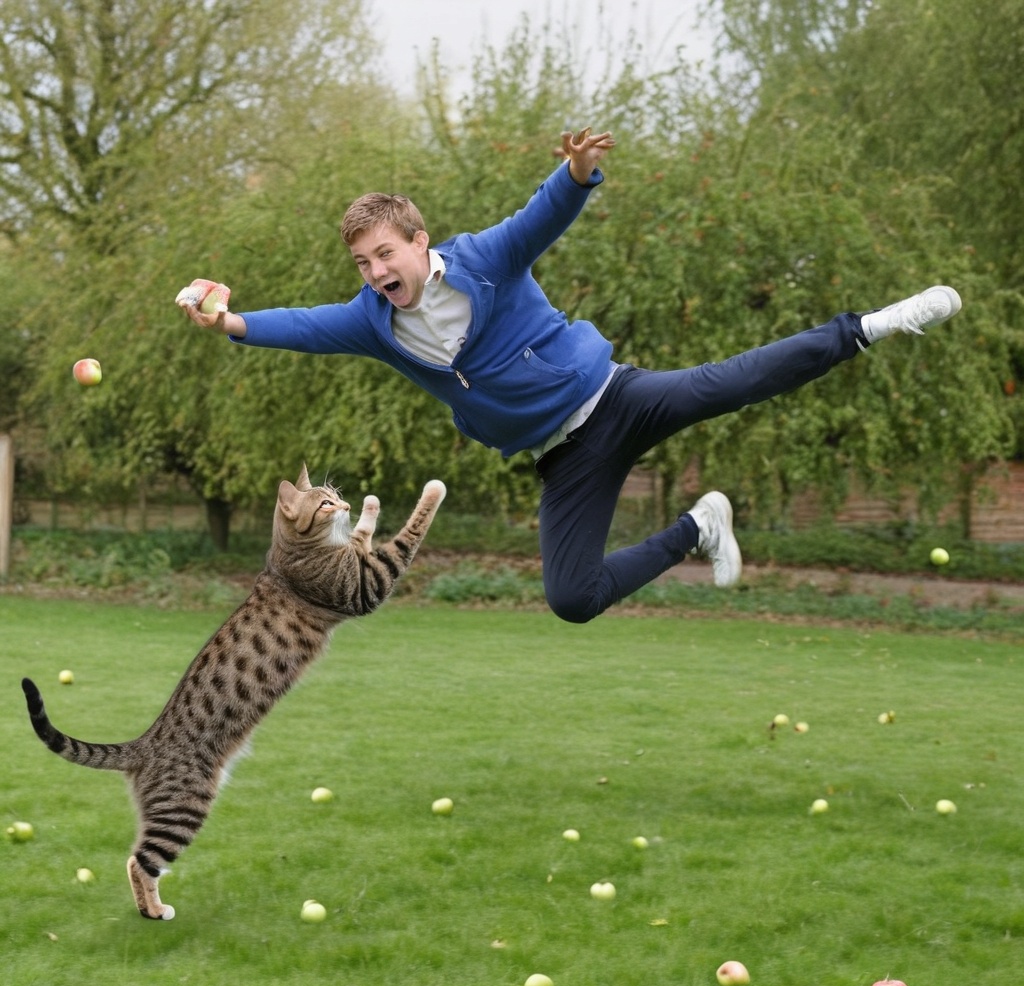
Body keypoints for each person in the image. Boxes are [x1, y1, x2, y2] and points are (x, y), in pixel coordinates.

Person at [178, 127, 962, 625]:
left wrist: (577, 174)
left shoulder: (484, 259)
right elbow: (302, 326)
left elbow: (540, 217)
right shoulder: (370, 321)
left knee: (728, 384)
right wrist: (229, 322)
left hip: (614, 398)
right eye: (362, 263)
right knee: (572, 599)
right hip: (562, 458)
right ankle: (698, 528)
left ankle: (871, 326)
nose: (376, 271)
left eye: (385, 253)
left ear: (419, 242)